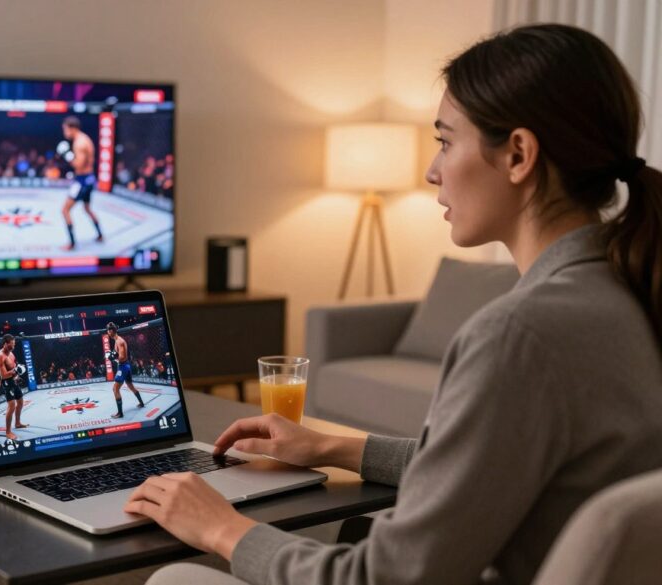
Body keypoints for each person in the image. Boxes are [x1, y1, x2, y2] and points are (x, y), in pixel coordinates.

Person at [131, 24, 662, 585]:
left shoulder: (519, 335)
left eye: (445, 141)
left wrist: (220, 529)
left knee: (175, 578)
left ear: (518, 155)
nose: (433, 171)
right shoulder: (627, 290)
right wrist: (332, 445)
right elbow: (483, 471)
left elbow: (384, 578)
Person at [61, 116, 104, 250]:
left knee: (65, 210)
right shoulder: (85, 138)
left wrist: (67, 155)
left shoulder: (79, 143)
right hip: (90, 178)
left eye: (65, 129)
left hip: (82, 180)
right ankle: (100, 235)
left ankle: (72, 243)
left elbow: (78, 166)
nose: (64, 132)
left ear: (72, 128)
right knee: (87, 208)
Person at [105, 322, 145, 418]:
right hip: (125, 366)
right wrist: (112, 355)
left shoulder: (119, 341)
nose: (107, 332)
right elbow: (117, 354)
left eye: (108, 331)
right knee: (130, 386)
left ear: (111, 331)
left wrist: (112, 358)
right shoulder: (116, 341)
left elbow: (122, 357)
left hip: (123, 366)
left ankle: (120, 413)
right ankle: (141, 403)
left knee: (115, 389)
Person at [0, 334, 28, 441]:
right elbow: (3, 375)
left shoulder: (11, 353)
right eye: (11, 344)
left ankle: (17, 423)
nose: (13, 346)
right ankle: (8, 432)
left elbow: (14, 366)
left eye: (14, 344)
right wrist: (15, 371)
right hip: (7, 382)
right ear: (5, 344)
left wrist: (18, 371)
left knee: (20, 401)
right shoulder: (0, 356)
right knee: (11, 406)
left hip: (14, 380)